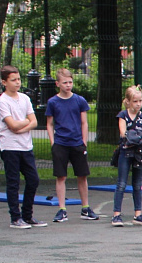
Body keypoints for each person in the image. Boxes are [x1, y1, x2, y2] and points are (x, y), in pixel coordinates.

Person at [0, 65, 45, 229]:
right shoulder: (3, 101)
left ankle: (27, 215)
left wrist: (21, 126)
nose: (17, 83)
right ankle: (15, 218)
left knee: (33, 180)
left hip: (25, 146)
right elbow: (12, 125)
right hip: (10, 147)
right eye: (13, 80)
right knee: (13, 182)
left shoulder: (24, 98)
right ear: (4, 82)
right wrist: (24, 123)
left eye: (18, 79)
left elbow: (35, 121)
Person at [46, 68, 96, 222]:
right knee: (61, 176)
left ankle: (85, 208)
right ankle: (62, 209)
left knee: (82, 175)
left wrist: (84, 141)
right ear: (58, 84)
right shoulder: (53, 102)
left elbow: (84, 122)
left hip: (77, 143)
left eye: (70, 82)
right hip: (61, 143)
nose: (68, 85)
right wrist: (53, 143)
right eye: (65, 83)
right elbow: (49, 123)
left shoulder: (79, 100)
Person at [111, 85, 142, 227]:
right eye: (135, 101)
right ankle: (116, 214)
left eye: (140, 101)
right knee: (121, 183)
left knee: (137, 184)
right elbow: (123, 133)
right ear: (128, 101)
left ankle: (138, 214)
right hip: (125, 152)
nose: (138, 104)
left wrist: (137, 140)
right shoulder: (123, 115)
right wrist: (135, 139)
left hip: (139, 153)